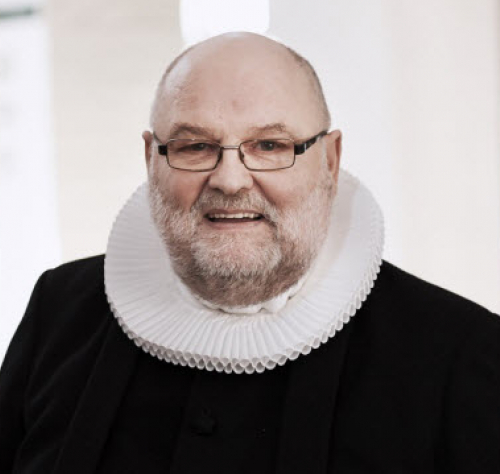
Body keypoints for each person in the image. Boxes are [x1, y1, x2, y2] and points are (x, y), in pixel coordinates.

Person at [0, 32, 499, 474]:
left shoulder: (461, 355)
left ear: (330, 160)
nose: (230, 180)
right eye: (195, 146)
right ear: (151, 159)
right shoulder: (60, 312)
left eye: (270, 145)